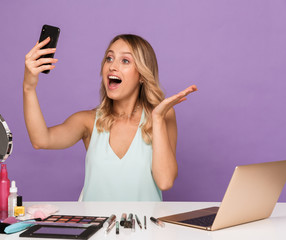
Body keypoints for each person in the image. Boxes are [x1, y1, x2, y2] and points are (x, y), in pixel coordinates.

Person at [23, 34, 197, 201]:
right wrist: (28, 87)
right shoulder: (88, 121)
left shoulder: (162, 116)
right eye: (109, 58)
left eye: (125, 61)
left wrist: (157, 118)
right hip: (94, 228)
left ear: (142, 75)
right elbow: (41, 140)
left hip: (146, 228)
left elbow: (165, 181)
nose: (112, 66)